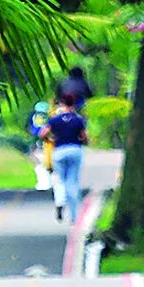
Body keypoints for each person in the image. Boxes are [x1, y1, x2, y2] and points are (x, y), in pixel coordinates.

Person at [44, 96, 88, 224]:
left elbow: (42, 133)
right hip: (75, 150)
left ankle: (60, 202)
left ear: (62, 104)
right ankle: (74, 217)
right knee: (72, 182)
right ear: (73, 104)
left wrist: (51, 139)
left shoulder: (55, 120)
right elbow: (84, 136)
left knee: (60, 180)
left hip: (59, 151)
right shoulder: (78, 120)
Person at [26, 100, 53, 191]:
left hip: (36, 140)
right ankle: (48, 183)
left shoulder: (32, 116)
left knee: (38, 163)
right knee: (48, 163)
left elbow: (28, 128)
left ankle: (43, 183)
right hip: (47, 140)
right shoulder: (50, 116)